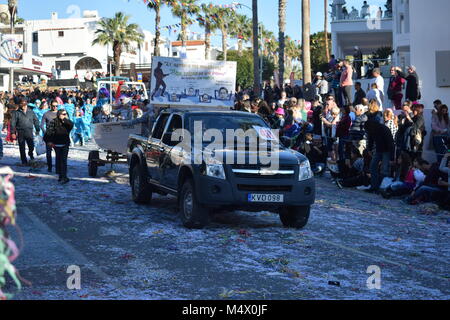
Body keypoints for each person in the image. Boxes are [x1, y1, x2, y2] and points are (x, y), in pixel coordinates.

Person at [365, 120, 395, 193]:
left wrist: (391, 158)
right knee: (372, 167)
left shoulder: (384, 129)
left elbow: (390, 144)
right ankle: (374, 186)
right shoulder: (372, 130)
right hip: (379, 150)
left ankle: (382, 187)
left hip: (387, 150)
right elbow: (370, 140)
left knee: (384, 170)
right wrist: (369, 149)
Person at [44, 110, 74, 184]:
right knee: (58, 160)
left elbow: (71, 125)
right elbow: (48, 132)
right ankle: (61, 176)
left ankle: (64, 177)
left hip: (65, 144)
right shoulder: (53, 122)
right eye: (63, 114)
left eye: (65, 114)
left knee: (64, 160)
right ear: (59, 114)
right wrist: (49, 141)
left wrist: (64, 119)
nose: (64, 115)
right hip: (56, 144)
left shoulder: (67, 122)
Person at [10, 98, 40, 165]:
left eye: (24, 105)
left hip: (29, 131)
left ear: (26, 104)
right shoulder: (16, 112)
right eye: (21, 105)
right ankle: (24, 161)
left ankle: (31, 154)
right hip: (20, 131)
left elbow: (36, 120)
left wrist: (37, 128)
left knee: (31, 145)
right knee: (22, 147)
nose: (23, 106)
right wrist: (12, 132)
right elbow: (13, 123)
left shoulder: (31, 112)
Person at [41, 100, 58, 172]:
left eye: (56, 106)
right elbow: (41, 125)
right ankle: (49, 167)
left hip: (58, 136)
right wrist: (45, 132)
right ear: (50, 105)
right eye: (53, 106)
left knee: (58, 153)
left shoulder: (60, 113)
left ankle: (58, 168)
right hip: (49, 137)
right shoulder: (46, 114)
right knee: (48, 153)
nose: (55, 107)